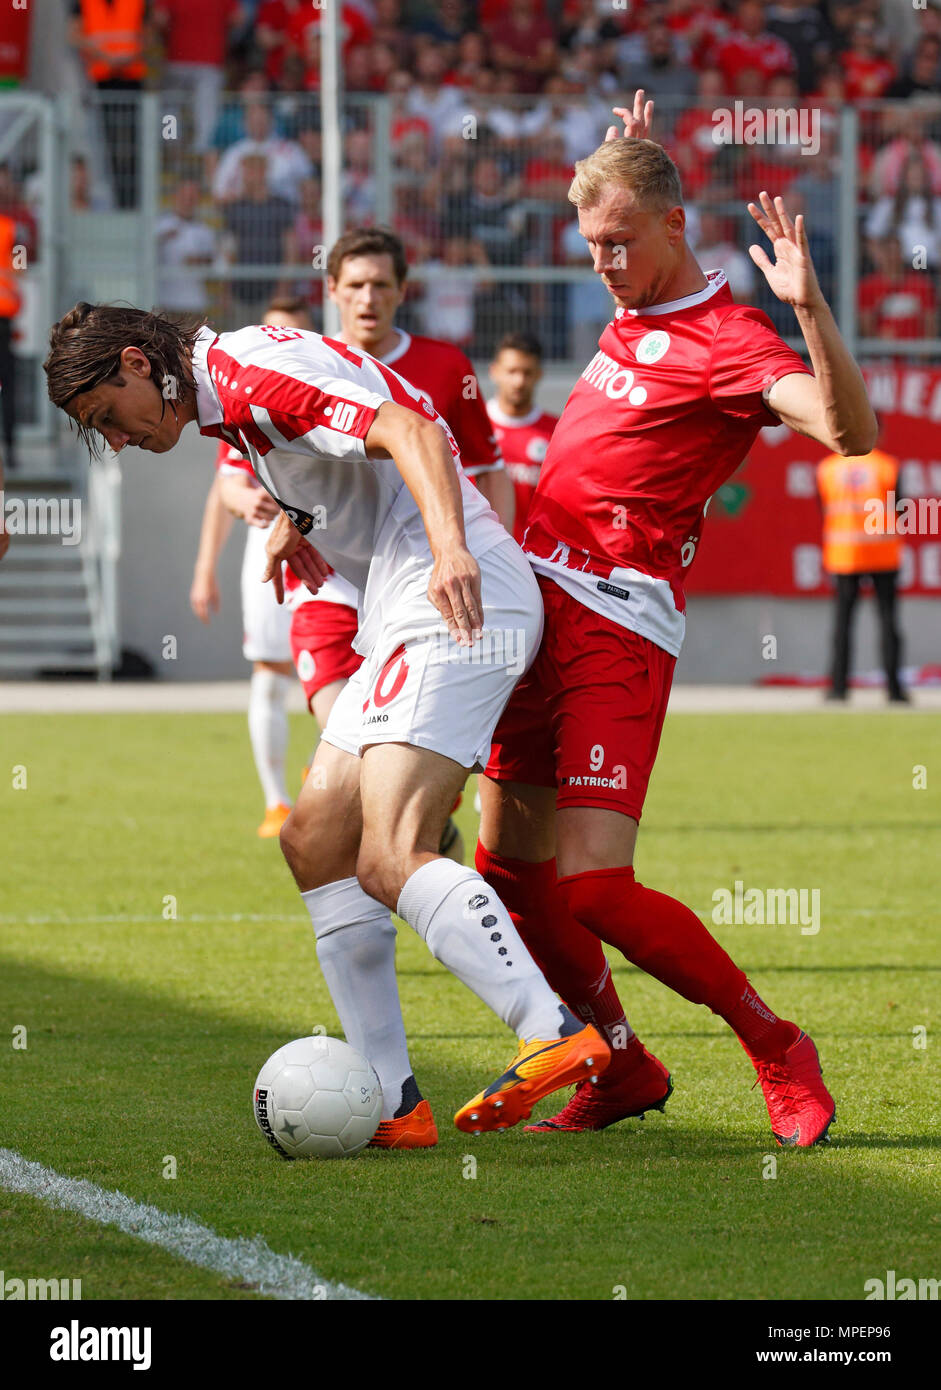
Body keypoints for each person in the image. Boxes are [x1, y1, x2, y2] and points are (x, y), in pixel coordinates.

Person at [43, 302, 610, 1146]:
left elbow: (411, 429)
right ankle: (392, 1102)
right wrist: (293, 523)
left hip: (450, 600)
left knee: (390, 853)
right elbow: (344, 438)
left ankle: (550, 1031)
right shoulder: (226, 391)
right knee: (312, 837)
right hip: (405, 606)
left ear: (137, 362)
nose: (117, 441)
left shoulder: (244, 379)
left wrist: (451, 547)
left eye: (107, 418)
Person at [474, 92, 876, 1147]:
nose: (600, 262)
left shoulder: (731, 341)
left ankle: (773, 1043)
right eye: (589, 244)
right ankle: (618, 1060)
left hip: (613, 621)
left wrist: (809, 310)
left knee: (594, 883)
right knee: (506, 870)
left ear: (673, 226)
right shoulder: (634, 303)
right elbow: (634, 204)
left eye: (617, 242)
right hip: (532, 610)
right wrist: (631, 148)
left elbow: (850, 431)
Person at [190, 298, 305, 838]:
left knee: (353, 667)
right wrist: (205, 566)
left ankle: (334, 771)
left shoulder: (319, 392)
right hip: (268, 557)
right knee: (269, 672)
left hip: (335, 553)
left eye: (290, 334)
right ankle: (276, 801)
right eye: (271, 332)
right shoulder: (237, 405)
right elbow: (225, 488)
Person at [817, 444, 907, 703]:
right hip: (883, 553)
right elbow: (901, 509)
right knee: (889, 622)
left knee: (842, 624)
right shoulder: (887, 466)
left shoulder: (828, 468)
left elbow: (823, 509)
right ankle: (894, 690)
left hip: (845, 553)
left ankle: (838, 688)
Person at [486, 332, 557, 546]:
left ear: (539, 375)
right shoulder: (473, 427)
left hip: (535, 557)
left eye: (527, 373)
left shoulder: (557, 432)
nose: (519, 381)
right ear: (494, 372)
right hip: (483, 553)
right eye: (511, 371)